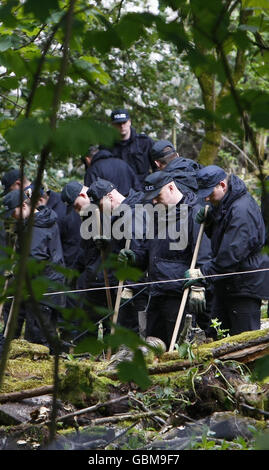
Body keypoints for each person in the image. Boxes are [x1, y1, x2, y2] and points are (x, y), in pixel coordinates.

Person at [118, 170, 213, 349]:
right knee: (153, 347)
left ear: (170, 187)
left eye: (157, 196)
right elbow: (147, 252)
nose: (154, 201)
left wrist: (199, 285)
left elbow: (203, 254)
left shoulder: (194, 213)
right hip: (155, 291)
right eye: (151, 198)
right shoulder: (156, 215)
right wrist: (134, 257)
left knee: (178, 349)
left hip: (179, 294)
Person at [184, 165, 269, 336]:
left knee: (243, 339)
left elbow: (231, 254)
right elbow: (221, 238)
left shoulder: (241, 210)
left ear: (222, 185)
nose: (206, 199)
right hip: (227, 284)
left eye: (209, 193)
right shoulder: (226, 203)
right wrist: (210, 223)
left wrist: (202, 274)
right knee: (214, 333)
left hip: (244, 285)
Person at [2, 189, 66, 353]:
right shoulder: (39, 221)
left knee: (38, 340)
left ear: (23, 205)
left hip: (44, 291)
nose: (12, 216)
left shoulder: (36, 227)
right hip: (47, 287)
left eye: (13, 212)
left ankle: (44, 374)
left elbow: (35, 259)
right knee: (45, 335)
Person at [87, 178, 148, 335]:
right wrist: (108, 245)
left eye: (101, 205)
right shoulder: (120, 213)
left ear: (110, 197)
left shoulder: (134, 212)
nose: (101, 210)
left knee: (138, 329)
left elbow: (138, 249)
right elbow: (121, 247)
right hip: (124, 282)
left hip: (136, 285)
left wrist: (130, 285)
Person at [109, 108, 154, 185]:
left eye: (124, 122)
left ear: (129, 122)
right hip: (119, 192)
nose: (122, 126)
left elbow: (158, 166)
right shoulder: (107, 147)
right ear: (112, 125)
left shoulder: (145, 143)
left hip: (143, 191)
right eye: (118, 123)